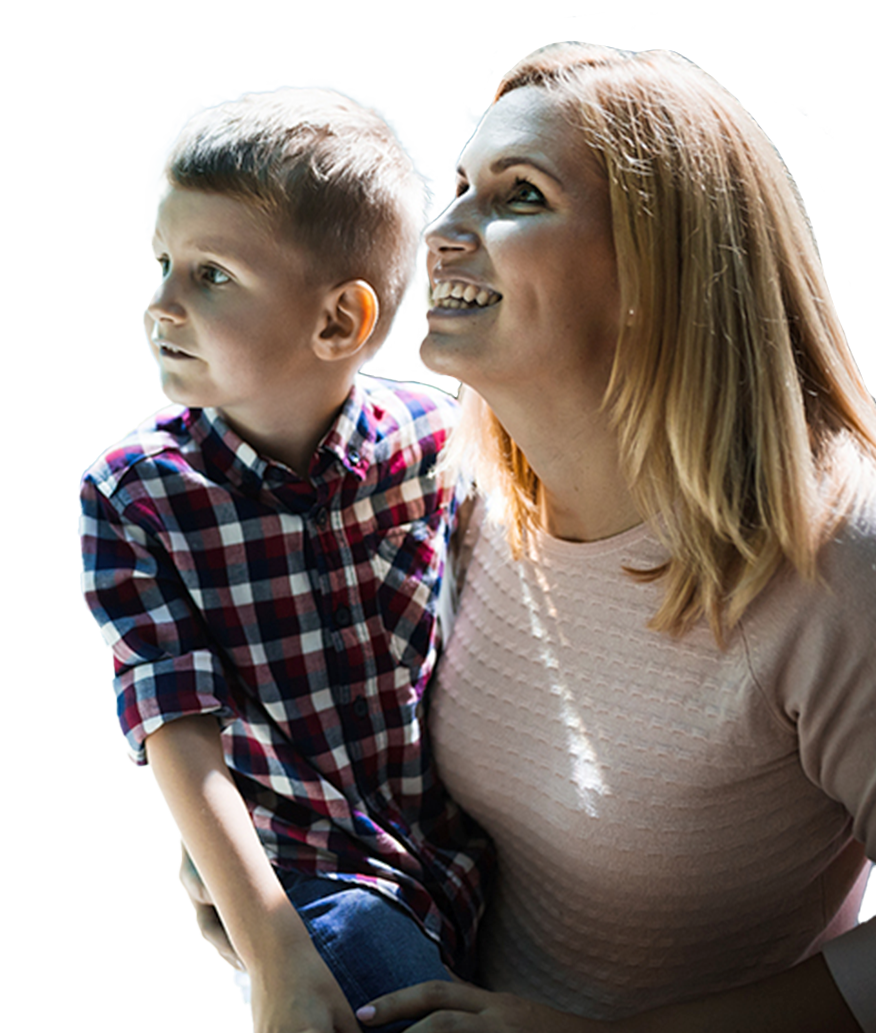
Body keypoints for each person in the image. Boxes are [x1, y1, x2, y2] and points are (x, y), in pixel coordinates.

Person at [353, 34, 876, 1033]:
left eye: (521, 195)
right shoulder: (450, 494)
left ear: (658, 267)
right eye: (459, 185)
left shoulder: (840, 561)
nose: (445, 228)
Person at [78, 86, 493, 1033]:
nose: (161, 303)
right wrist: (278, 956)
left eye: (211, 274)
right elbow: (174, 724)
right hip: (309, 883)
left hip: (463, 855)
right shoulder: (134, 496)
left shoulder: (437, 438)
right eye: (162, 263)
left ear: (341, 323)